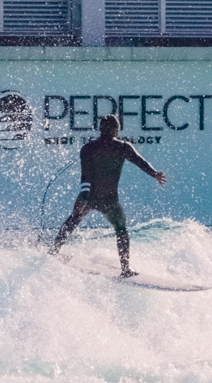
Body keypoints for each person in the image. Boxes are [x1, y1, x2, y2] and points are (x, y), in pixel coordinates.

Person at [49, 115, 166, 277]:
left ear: (100, 129)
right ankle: (125, 269)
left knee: (74, 218)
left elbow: (86, 177)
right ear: (115, 130)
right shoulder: (122, 147)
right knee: (121, 228)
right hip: (109, 199)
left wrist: (84, 196)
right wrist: (154, 174)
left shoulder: (89, 148)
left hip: (90, 196)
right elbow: (140, 162)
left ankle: (53, 251)